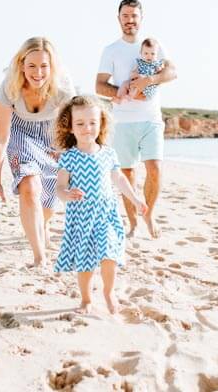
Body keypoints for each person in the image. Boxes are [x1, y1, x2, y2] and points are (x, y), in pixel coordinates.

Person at [53, 95, 147, 314]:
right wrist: (67, 194)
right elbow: (59, 187)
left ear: (101, 124)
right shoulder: (69, 157)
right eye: (80, 124)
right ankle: (86, 299)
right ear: (70, 128)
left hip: (106, 213)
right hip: (82, 216)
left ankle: (108, 291)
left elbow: (119, 179)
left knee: (109, 253)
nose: (87, 128)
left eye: (93, 123)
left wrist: (135, 199)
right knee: (85, 262)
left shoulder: (108, 153)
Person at [96, 0, 177, 238]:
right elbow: (99, 85)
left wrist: (147, 81)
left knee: (155, 169)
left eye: (134, 16)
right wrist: (120, 93)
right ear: (118, 17)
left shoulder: (153, 45)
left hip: (151, 119)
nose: (130, 20)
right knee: (127, 174)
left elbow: (172, 72)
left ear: (141, 18)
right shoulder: (111, 50)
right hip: (122, 122)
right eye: (125, 15)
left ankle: (149, 215)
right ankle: (132, 224)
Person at [0, 37, 74, 267]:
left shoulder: (63, 87)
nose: (38, 73)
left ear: (52, 66)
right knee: (29, 188)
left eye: (44, 66)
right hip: (20, 134)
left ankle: (43, 225)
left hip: (52, 136)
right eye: (32, 66)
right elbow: (0, 137)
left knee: (48, 204)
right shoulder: (10, 86)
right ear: (21, 64)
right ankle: (40, 257)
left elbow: (72, 129)